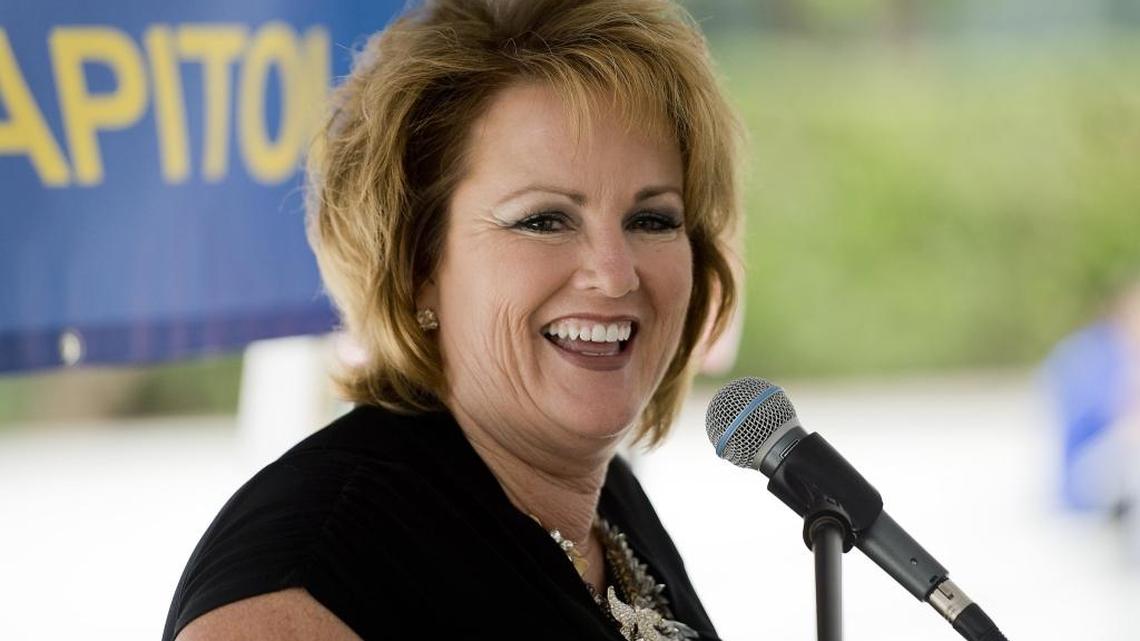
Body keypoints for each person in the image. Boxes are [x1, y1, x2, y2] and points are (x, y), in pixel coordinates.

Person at [162, 0, 742, 638]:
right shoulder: (309, 577)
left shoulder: (608, 507)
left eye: (652, 220)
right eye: (543, 220)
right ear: (416, 264)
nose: (615, 272)